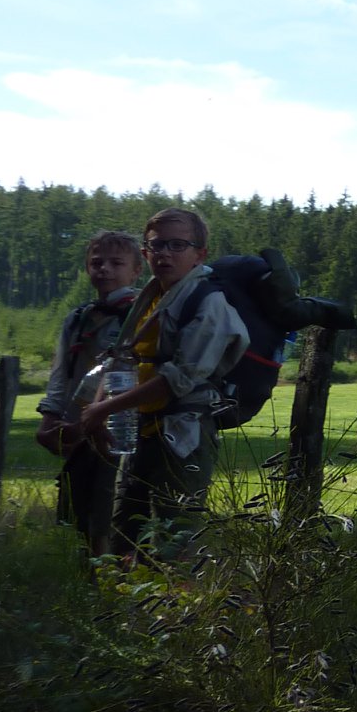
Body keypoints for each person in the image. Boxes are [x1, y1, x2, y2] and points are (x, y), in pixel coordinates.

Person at [79, 208, 248, 562]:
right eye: (156, 246)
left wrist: (103, 410)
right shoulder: (153, 296)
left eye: (177, 245)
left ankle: (178, 615)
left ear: (199, 254)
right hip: (139, 432)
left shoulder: (208, 302)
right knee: (125, 534)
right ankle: (126, 612)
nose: (164, 254)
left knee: (174, 542)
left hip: (183, 436)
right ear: (145, 253)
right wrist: (98, 408)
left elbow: (178, 380)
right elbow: (123, 357)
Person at [34, 229, 142, 557]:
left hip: (122, 434)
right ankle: (90, 585)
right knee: (80, 512)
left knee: (117, 510)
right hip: (78, 433)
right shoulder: (78, 318)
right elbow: (61, 375)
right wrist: (50, 419)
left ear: (137, 270)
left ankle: (121, 585)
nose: (104, 269)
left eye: (115, 263)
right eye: (96, 262)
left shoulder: (144, 315)